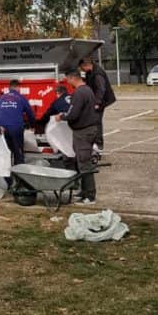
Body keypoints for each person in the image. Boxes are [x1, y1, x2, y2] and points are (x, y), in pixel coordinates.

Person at [59, 71, 100, 204]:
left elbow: (73, 114)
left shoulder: (79, 93)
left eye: (68, 80)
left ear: (73, 78)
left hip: (83, 132)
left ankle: (90, 196)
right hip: (87, 129)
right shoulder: (87, 90)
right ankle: (84, 191)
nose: (67, 82)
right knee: (81, 162)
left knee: (84, 164)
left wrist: (62, 116)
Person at [80, 57, 116, 149]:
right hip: (99, 100)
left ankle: (99, 145)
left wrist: (97, 103)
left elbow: (101, 89)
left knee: (97, 122)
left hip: (102, 101)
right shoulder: (90, 72)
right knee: (95, 121)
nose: (81, 69)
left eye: (82, 67)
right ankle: (95, 144)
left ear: (86, 65)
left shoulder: (97, 74)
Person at [0, 79, 35, 167]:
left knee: (6, 152)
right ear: (18, 87)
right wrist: (32, 125)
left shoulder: (2, 98)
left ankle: (7, 174)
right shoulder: (21, 98)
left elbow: (1, 110)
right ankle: (19, 174)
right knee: (18, 152)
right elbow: (30, 113)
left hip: (2, 127)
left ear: (9, 88)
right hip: (15, 127)